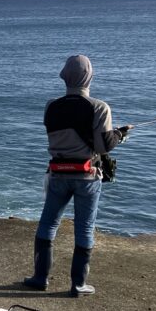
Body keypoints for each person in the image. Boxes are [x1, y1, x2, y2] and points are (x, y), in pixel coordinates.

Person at [23, 55, 131, 296]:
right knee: (84, 228)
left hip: (57, 173)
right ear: (89, 77)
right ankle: (78, 285)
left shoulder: (51, 106)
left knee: (48, 224)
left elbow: (60, 134)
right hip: (87, 176)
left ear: (64, 76)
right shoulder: (99, 107)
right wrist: (120, 134)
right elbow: (103, 146)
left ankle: (40, 278)